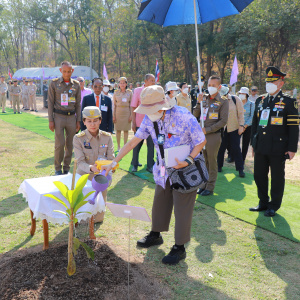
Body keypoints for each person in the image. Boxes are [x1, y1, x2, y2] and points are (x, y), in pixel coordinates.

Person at [101, 85, 206, 265]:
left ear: (163, 105)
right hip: (163, 171)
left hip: (184, 171)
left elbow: (201, 140)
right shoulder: (150, 119)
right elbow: (134, 141)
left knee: (182, 209)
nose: (148, 113)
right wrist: (114, 161)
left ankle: (179, 248)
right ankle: (155, 234)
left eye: (151, 109)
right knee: (160, 202)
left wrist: (188, 160)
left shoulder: (184, 116)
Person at [250, 66, 299, 217]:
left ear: (281, 83)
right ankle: (263, 202)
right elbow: (255, 124)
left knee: (277, 177)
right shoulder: (260, 100)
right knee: (259, 175)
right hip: (261, 145)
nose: (269, 84)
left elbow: (294, 128)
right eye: (267, 81)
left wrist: (292, 148)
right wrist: (253, 143)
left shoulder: (288, 102)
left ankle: (274, 205)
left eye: (273, 81)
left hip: (278, 147)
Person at [73, 106, 114, 223]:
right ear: (84, 122)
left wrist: (109, 170)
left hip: (102, 177)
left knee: (98, 217)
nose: (92, 124)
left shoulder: (107, 137)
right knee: (83, 217)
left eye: (95, 120)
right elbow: (80, 162)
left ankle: (97, 218)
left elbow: (111, 158)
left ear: (100, 120)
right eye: (89, 121)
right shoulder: (78, 138)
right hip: (85, 177)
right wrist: (91, 168)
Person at [193, 75, 229, 196]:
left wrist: (207, 130)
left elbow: (223, 121)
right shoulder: (204, 99)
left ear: (219, 87)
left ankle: (210, 186)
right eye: (209, 85)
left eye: (213, 85)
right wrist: (198, 103)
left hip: (213, 135)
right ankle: (203, 184)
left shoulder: (223, 101)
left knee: (212, 161)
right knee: (203, 161)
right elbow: (195, 114)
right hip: (201, 136)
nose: (210, 87)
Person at [48, 61, 81, 175]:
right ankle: (58, 168)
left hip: (71, 117)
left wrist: (78, 120)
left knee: (70, 144)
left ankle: (66, 168)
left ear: (72, 71)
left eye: (69, 71)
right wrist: (51, 120)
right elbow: (51, 103)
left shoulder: (76, 85)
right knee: (60, 144)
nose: (67, 74)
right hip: (58, 117)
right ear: (60, 71)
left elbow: (78, 104)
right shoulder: (54, 84)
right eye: (65, 71)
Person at [217, 86, 245, 177]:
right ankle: (219, 166)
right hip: (222, 128)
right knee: (221, 148)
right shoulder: (217, 100)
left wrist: (241, 126)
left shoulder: (235, 99)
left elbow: (241, 113)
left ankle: (240, 169)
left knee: (236, 148)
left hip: (234, 128)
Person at [130, 74, 155, 173]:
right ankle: (135, 164)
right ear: (146, 81)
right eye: (151, 80)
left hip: (152, 122)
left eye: (154, 80)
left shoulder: (155, 91)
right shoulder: (137, 91)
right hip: (140, 122)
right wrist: (133, 122)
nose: (153, 82)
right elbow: (133, 107)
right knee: (137, 144)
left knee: (151, 145)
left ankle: (150, 166)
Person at [113, 77, 132, 151]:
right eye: (120, 83)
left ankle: (124, 146)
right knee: (118, 130)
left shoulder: (129, 92)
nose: (122, 84)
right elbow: (114, 105)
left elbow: (131, 105)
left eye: (124, 83)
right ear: (118, 84)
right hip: (118, 113)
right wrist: (113, 116)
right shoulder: (116, 92)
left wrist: (131, 115)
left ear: (126, 84)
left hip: (127, 113)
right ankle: (118, 146)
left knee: (126, 130)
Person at [238, 87, 255, 161]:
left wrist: (245, 126)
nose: (241, 95)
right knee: (235, 143)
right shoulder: (237, 103)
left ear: (247, 95)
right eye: (240, 93)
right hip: (238, 126)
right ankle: (234, 157)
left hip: (247, 127)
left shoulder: (251, 104)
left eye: (243, 93)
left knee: (245, 144)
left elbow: (252, 117)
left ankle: (242, 159)